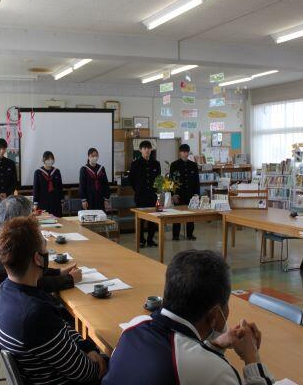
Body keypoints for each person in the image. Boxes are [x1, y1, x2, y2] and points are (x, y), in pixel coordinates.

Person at [102, 250, 274, 384]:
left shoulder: (134, 326)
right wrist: (252, 358)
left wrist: (214, 345)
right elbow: (194, 364)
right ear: (215, 315)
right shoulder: (214, 370)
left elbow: (182, 353)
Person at [0, 217, 107, 384]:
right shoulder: (35, 314)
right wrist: (100, 359)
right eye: (45, 245)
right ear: (38, 258)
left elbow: (60, 327)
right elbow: (85, 373)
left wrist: (87, 347)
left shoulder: (5, 289)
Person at [0, 195, 82, 306]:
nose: (34, 219)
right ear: (20, 220)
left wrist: (59, 272)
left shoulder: (0, 236)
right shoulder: (7, 246)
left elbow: (27, 269)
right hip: (7, 303)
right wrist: (69, 279)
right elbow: (35, 284)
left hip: (3, 299)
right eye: (30, 216)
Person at [129, 140, 161, 247]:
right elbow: (131, 180)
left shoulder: (156, 163)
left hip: (152, 196)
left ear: (151, 149)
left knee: (153, 219)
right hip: (140, 196)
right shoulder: (135, 164)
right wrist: (138, 189)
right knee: (141, 219)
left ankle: (150, 239)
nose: (147, 150)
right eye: (144, 148)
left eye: (149, 148)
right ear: (140, 150)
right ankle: (141, 240)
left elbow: (158, 179)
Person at [170, 144, 200, 241]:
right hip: (179, 194)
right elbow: (171, 181)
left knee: (190, 215)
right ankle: (175, 235)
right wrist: (173, 194)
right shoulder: (174, 165)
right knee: (177, 215)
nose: (185, 154)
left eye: (187, 152)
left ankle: (190, 234)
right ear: (180, 152)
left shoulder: (193, 165)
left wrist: (197, 194)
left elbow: (196, 181)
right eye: (183, 152)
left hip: (191, 194)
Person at [33, 151, 64, 217]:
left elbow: (60, 187)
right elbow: (36, 189)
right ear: (43, 160)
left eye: (52, 159)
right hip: (43, 201)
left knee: (57, 219)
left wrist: (62, 200)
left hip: (55, 201)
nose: (50, 161)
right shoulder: (38, 172)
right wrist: (35, 203)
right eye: (48, 159)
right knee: (44, 219)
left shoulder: (56, 171)